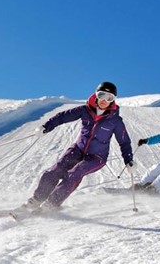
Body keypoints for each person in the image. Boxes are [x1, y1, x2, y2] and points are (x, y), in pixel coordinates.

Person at [24, 82, 134, 211]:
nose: (104, 100)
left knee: (74, 174)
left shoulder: (115, 120)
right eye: (102, 95)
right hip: (78, 149)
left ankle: (51, 205)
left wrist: (128, 160)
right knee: (54, 171)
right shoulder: (85, 110)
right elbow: (63, 117)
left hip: (96, 157)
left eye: (109, 98)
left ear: (113, 100)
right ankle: (36, 200)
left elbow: (124, 142)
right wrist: (46, 127)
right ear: (96, 95)